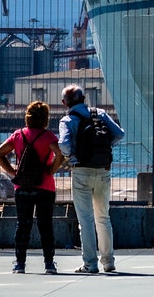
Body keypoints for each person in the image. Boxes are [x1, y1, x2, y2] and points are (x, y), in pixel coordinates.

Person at [58, 85, 125, 275]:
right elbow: (119, 133)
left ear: (64, 103)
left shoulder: (67, 120)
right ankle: (109, 262)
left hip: (81, 171)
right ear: (84, 98)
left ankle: (90, 264)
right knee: (103, 217)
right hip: (103, 170)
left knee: (85, 220)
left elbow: (63, 143)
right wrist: (102, 148)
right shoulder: (100, 114)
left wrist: (72, 155)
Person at [0, 100, 67, 274]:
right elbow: (60, 153)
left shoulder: (19, 135)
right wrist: (52, 168)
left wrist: (13, 172)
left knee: (23, 225)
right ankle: (49, 264)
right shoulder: (49, 137)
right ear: (45, 118)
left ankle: (20, 264)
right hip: (45, 187)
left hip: (22, 186)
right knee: (45, 225)